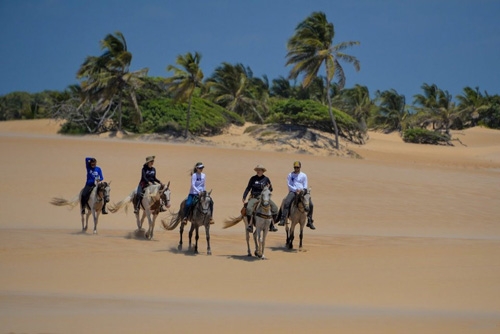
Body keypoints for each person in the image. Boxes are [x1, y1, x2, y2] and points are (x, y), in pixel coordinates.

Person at [278, 161, 315, 229]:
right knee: (287, 202)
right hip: (293, 192)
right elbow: (289, 184)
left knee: (311, 204)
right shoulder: (290, 175)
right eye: (295, 167)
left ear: (300, 167)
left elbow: (305, 185)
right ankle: (283, 219)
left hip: (302, 192)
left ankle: (310, 221)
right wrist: (296, 190)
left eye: (297, 167)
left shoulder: (304, 175)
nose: (296, 169)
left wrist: (302, 190)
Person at [242, 164, 279, 233]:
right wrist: (244, 196)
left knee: (275, 208)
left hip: (264, 198)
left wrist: (269, 187)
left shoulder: (266, 179)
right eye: (257, 170)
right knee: (249, 208)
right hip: (254, 197)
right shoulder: (253, 178)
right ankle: (250, 226)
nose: (258, 171)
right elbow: (248, 188)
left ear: (262, 171)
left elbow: (271, 189)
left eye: (260, 170)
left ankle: (271, 225)